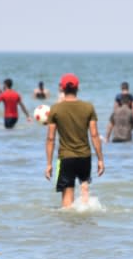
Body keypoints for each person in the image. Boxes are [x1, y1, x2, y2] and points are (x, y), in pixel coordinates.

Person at [45, 73, 105, 208]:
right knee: (84, 188)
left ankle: (68, 227)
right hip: (85, 156)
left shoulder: (55, 109)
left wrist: (49, 164)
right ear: (78, 88)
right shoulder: (88, 107)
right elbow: (94, 135)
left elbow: (50, 138)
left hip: (66, 157)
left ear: (62, 88)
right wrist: (100, 159)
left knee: (67, 196)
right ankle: (84, 224)